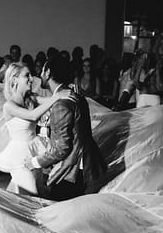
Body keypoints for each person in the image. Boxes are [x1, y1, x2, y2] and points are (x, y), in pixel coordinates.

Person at [25, 56, 106, 200]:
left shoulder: (61, 104)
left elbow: (62, 148)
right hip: (87, 164)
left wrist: (35, 162)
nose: (40, 75)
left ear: (48, 72)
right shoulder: (76, 96)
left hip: (72, 170)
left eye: (42, 71)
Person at [0, 63, 72, 195]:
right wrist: (57, 97)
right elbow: (33, 116)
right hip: (20, 155)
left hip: (34, 150)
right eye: (27, 75)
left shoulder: (31, 98)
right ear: (14, 79)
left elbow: (51, 101)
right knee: (31, 193)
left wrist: (64, 94)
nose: (32, 79)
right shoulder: (9, 106)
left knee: (33, 191)